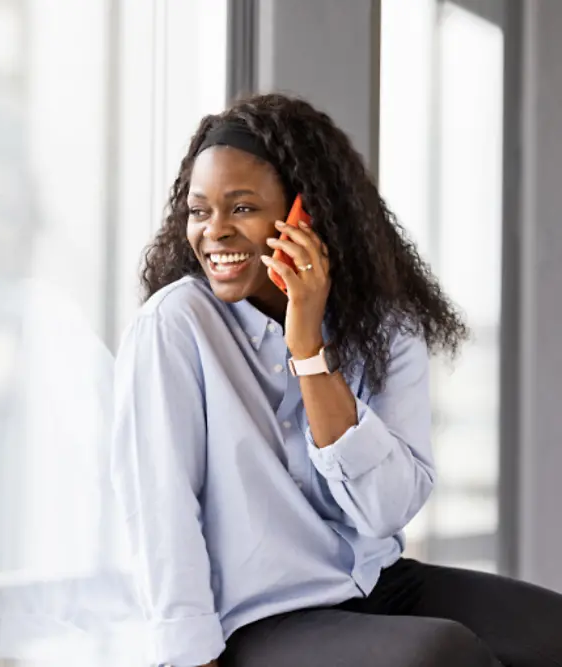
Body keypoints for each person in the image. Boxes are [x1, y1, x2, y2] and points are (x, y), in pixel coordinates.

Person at [110, 93, 562, 667]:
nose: (214, 232)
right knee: (441, 654)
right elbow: (163, 512)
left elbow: (385, 511)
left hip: (370, 581)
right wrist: (194, 658)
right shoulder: (175, 326)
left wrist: (308, 350)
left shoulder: (385, 325)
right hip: (259, 619)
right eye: (200, 211)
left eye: (242, 208)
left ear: (307, 213)